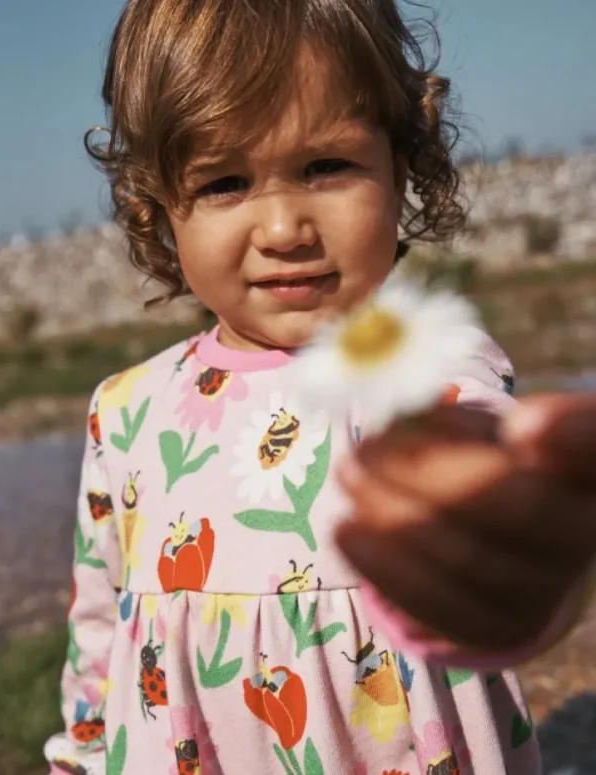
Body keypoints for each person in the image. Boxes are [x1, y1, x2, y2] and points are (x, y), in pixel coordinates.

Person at [44, 1, 596, 773]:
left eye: (325, 166)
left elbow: (478, 476)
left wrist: (507, 520)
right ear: (159, 204)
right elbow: (99, 623)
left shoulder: (427, 365)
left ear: (401, 162)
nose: (283, 229)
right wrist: (78, 752)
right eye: (225, 182)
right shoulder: (125, 411)